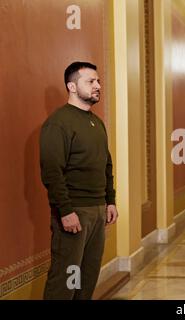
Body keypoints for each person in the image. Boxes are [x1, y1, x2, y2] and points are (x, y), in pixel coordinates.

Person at [40, 61, 118, 300]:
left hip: (97, 210)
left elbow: (106, 164)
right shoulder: (58, 123)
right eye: (90, 81)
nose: (97, 86)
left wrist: (110, 201)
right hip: (74, 211)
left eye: (98, 81)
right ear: (72, 87)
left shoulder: (97, 123)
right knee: (65, 278)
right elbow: (52, 172)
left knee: (87, 276)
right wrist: (65, 211)